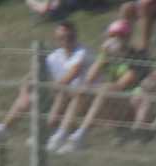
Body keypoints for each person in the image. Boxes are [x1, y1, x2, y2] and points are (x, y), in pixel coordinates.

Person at [0, 20, 94, 144]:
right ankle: (4, 128)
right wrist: (24, 93)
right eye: (62, 38)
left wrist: (47, 89)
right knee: (29, 97)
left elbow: (72, 75)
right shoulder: (55, 56)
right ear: (57, 39)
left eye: (70, 37)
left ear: (75, 36)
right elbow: (30, 76)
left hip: (82, 98)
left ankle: (43, 135)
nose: (66, 41)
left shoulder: (82, 52)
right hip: (61, 95)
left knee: (54, 93)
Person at [49, 17, 142, 153]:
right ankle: (62, 134)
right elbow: (89, 79)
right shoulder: (108, 56)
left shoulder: (136, 57)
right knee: (83, 89)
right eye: (112, 35)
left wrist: (99, 87)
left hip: (128, 105)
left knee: (104, 89)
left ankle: (79, 137)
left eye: (119, 36)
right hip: (107, 101)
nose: (115, 39)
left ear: (127, 37)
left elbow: (121, 85)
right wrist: (103, 57)